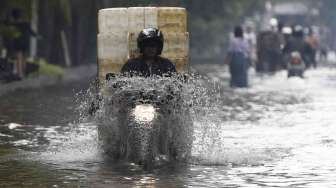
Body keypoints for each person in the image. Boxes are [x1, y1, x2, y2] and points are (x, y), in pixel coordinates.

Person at [10, 8, 37, 79]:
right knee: (24, 58)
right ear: (20, 16)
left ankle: (19, 74)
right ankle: (24, 73)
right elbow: (31, 32)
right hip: (25, 42)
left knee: (19, 57)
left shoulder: (13, 24)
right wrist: (37, 36)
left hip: (18, 42)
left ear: (13, 16)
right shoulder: (26, 23)